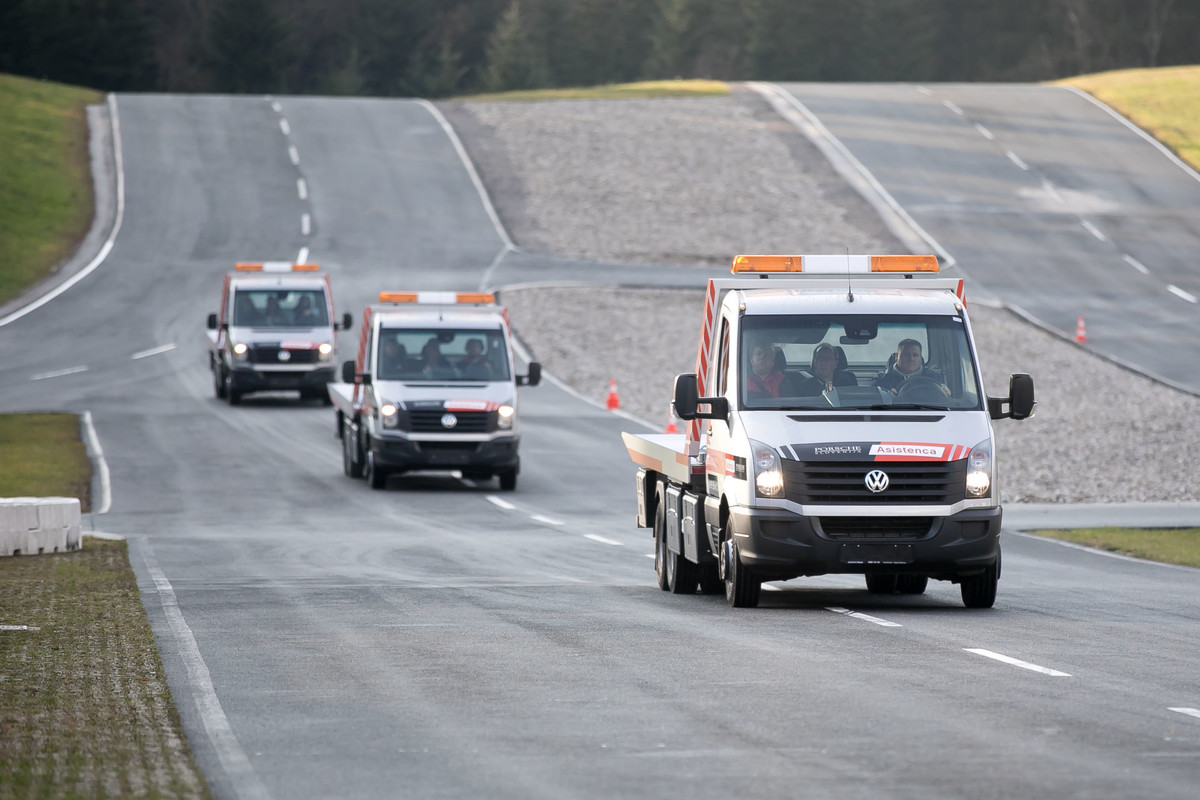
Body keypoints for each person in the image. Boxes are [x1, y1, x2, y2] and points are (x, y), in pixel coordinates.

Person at [872, 339, 950, 396]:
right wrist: (886, 392)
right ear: (896, 357)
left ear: (921, 358)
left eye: (915, 355)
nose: (911, 359)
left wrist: (945, 391)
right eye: (906, 355)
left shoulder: (933, 377)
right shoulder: (883, 379)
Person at [793, 343, 858, 395]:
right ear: (814, 362)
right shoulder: (804, 387)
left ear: (835, 363)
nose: (823, 362)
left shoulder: (846, 383)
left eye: (828, 359)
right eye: (819, 358)